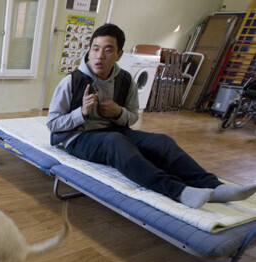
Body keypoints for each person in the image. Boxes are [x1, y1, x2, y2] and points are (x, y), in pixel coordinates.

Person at [47, 23, 256, 209]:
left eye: (108, 50)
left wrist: (118, 112)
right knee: (116, 141)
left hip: (115, 130)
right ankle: (179, 191)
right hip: (79, 137)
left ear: (119, 54)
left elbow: (132, 117)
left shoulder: (125, 80)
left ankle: (214, 186)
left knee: (162, 142)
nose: (99, 56)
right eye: (95, 48)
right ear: (89, 50)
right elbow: (53, 124)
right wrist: (80, 114)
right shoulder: (71, 82)